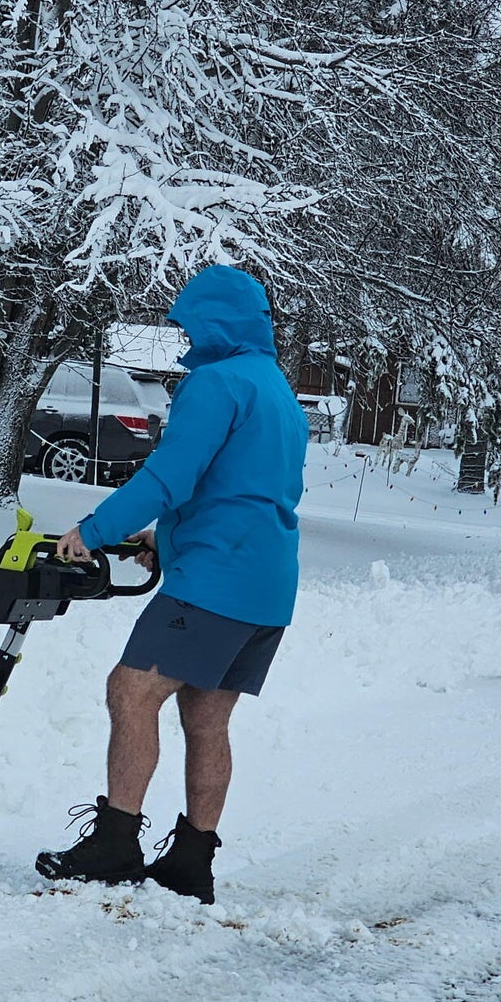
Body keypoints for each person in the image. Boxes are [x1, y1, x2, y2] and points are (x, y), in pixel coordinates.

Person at [36, 265, 308, 903]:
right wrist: (166, 539)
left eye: (190, 321)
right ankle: (191, 862)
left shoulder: (215, 383)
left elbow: (171, 477)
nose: (184, 333)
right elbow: (246, 489)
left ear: (216, 321)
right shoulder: (276, 389)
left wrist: (94, 531)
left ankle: (114, 842)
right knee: (207, 720)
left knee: (131, 692)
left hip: (214, 583)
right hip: (266, 584)